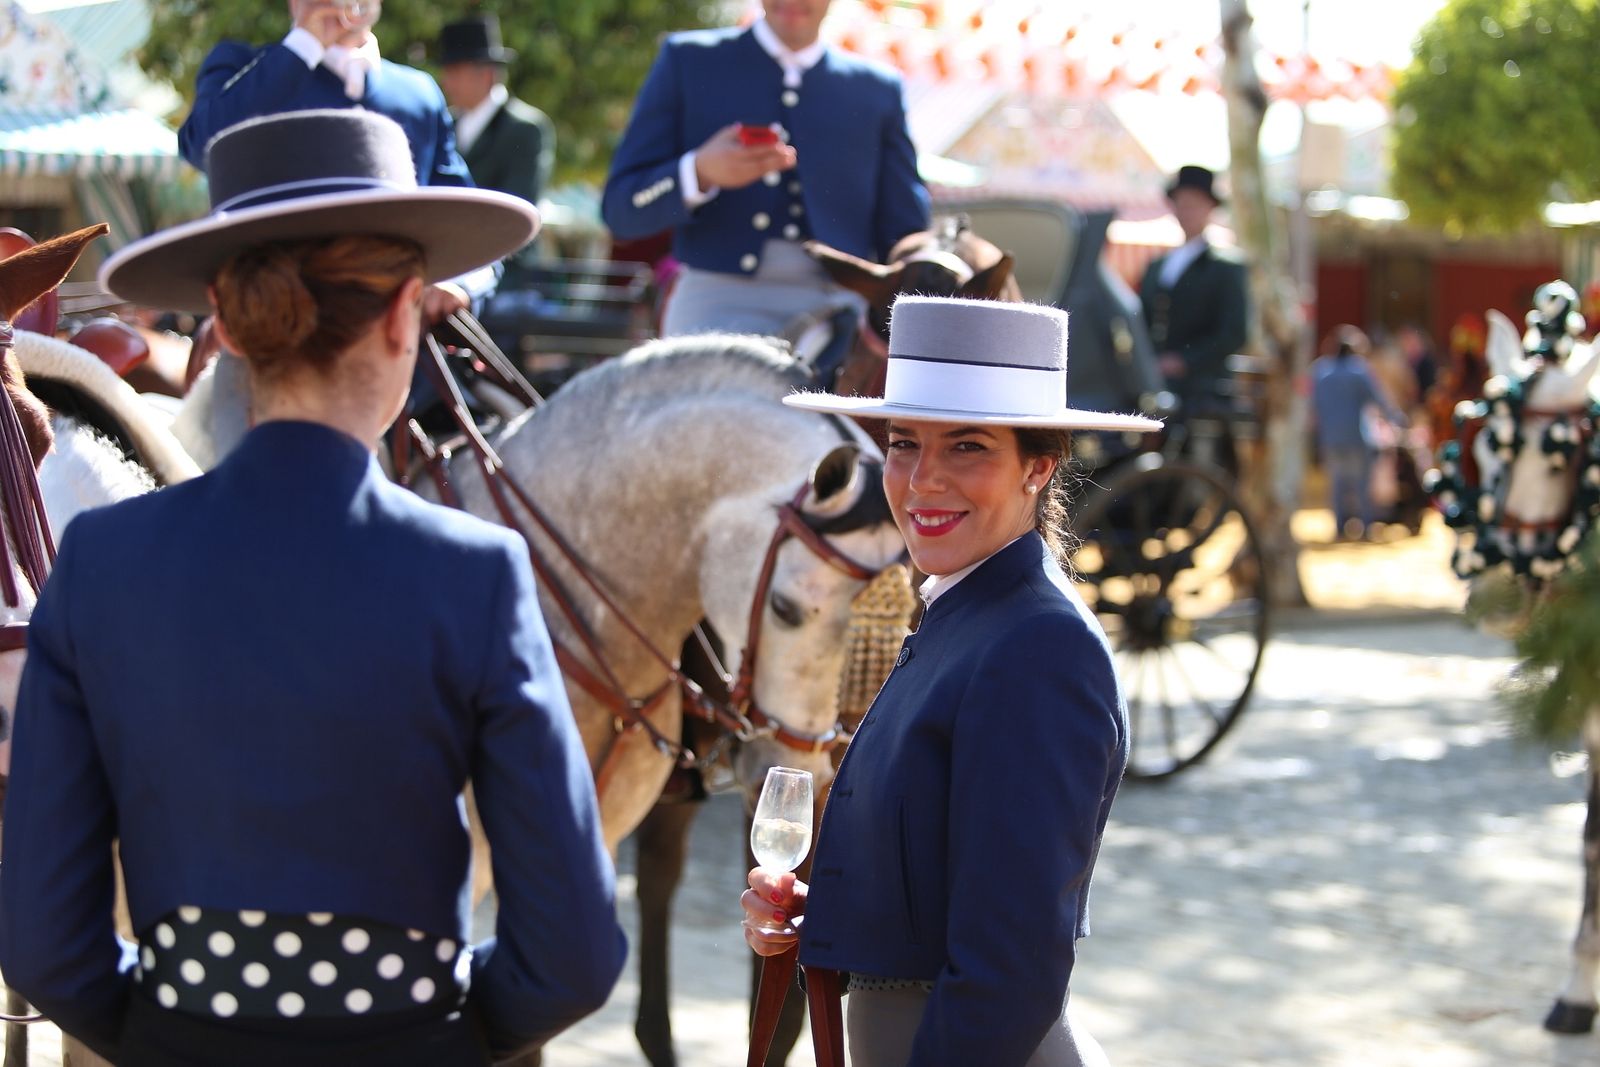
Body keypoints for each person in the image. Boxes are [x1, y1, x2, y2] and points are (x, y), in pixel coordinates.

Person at [0, 109, 626, 1066]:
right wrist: (429, 1028)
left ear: (225, 322)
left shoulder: (101, 562)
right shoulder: (475, 573)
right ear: (404, 313)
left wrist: (170, 1029)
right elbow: (572, 954)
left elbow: (43, 939)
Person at [741, 296, 1160, 1066]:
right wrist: (825, 914)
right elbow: (944, 885)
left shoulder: (1038, 646)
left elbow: (1009, 971)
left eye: (967, 446)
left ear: (1039, 465)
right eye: (904, 443)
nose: (923, 479)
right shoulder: (968, 613)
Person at [601, 0, 931, 338]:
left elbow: (906, 230)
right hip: (715, 301)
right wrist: (698, 172)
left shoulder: (878, 89)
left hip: (841, 310)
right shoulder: (688, 59)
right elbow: (621, 209)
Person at [178, 0, 480, 322]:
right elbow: (203, 145)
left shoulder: (418, 92)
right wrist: (303, 46)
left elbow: (467, 214)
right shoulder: (242, 66)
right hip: (278, 321)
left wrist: (458, 283)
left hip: (399, 326)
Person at [1138, 165, 1250, 412]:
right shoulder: (1157, 265)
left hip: (1201, 384)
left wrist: (1184, 361)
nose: (1187, 210)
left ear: (1210, 208)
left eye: (1195, 203)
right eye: (1182, 202)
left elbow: (1234, 332)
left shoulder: (1225, 267)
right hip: (1152, 378)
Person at [437, 13, 555, 211]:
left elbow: (517, 208)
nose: (445, 82)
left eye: (454, 71)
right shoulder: (446, 123)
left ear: (486, 74)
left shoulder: (525, 129)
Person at [1311, 325, 1408, 541]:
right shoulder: (1359, 370)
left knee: (1337, 483)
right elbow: (1379, 398)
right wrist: (1397, 419)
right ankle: (1365, 527)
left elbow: (1312, 405)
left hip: (1330, 437)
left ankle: (1340, 527)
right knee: (1361, 484)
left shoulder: (1320, 371)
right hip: (1356, 435)